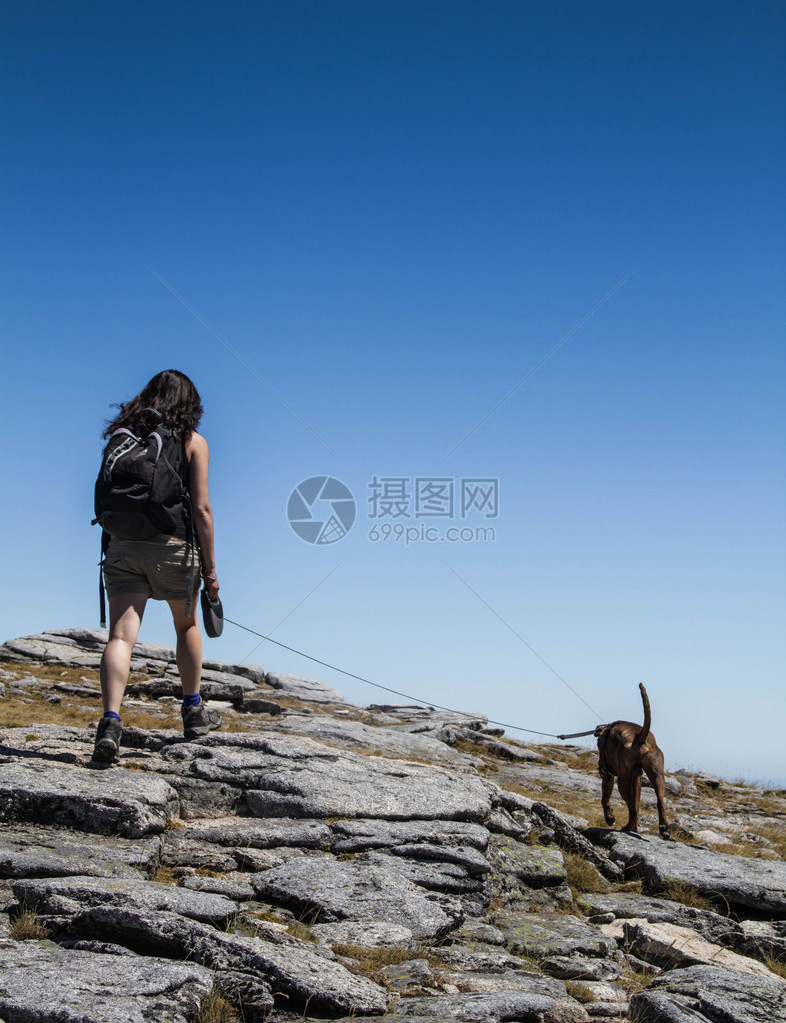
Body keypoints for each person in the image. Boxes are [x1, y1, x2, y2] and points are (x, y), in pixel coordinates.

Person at [92, 369, 222, 762]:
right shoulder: (192, 441)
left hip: (123, 547)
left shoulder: (125, 438)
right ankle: (193, 711)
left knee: (120, 637)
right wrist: (212, 571)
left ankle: (111, 721)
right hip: (174, 550)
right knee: (186, 626)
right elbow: (201, 509)